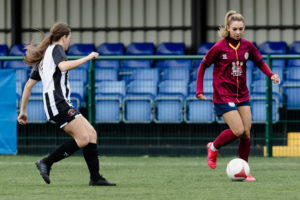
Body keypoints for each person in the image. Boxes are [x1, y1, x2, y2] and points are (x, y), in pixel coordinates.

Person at [18, 22, 116, 186]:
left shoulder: (45, 55)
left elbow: (28, 85)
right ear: (64, 37)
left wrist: (23, 111)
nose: (69, 41)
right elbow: (63, 66)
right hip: (57, 103)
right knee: (83, 138)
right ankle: (46, 162)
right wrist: (88, 57)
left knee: (91, 134)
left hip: (59, 103)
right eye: (69, 38)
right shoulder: (57, 49)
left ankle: (96, 178)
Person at [196, 10, 280, 181]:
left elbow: (260, 62)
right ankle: (213, 147)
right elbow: (203, 66)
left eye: (241, 29)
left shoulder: (247, 46)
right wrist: (199, 90)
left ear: (244, 28)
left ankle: (245, 170)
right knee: (238, 130)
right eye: (234, 29)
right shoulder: (219, 47)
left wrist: (271, 74)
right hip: (223, 95)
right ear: (228, 28)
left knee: (246, 134)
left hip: (242, 94)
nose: (238, 32)